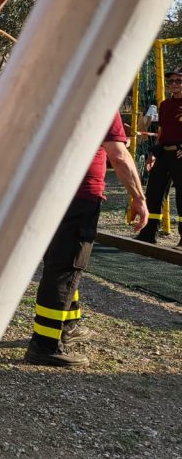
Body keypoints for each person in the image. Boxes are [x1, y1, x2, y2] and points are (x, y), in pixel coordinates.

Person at [24, 112, 148, 367]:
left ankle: (68, 323)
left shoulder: (52, 95)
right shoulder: (102, 98)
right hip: (78, 196)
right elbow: (119, 155)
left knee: (57, 259)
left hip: (42, 193)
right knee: (66, 265)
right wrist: (139, 198)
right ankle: (45, 343)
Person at [135, 67, 182, 245]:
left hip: (180, 154)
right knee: (153, 193)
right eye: (171, 81)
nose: (174, 84)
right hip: (163, 153)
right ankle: (148, 234)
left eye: (179, 81)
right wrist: (153, 154)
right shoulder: (164, 105)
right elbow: (161, 130)